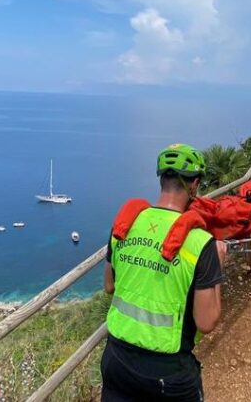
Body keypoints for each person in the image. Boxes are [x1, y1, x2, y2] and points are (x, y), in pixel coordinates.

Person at [101, 143, 227, 402]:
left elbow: (109, 285)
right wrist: (219, 268)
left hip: (116, 360)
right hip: (167, 372)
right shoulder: (200, 243)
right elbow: (206, 321)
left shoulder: (126, 224)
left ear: (161, 178)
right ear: (194, 185)